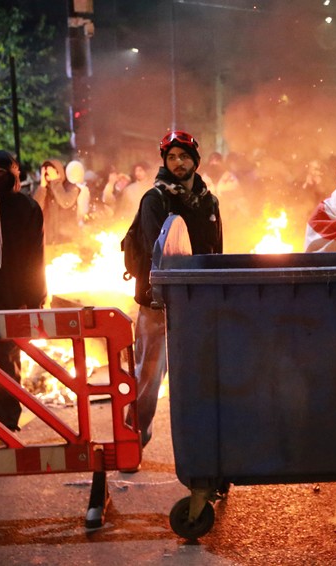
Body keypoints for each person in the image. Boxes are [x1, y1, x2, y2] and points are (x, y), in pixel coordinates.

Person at [129, 130, 223, 448]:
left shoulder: (209, 202)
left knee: (198, 376)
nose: (178, 162)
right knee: (148, 377)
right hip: (159, 304)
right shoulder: (155, 199)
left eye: (184, 156)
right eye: (171, 157)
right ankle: (134, 438)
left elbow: (216, 252)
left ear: (195, 160)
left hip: (198, 302)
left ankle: (202, 446)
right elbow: (157, 253)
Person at [0, 150, 46, 437]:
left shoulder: (26, 208)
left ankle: (6, 425)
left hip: (11, 300)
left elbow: (35, 258)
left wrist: (35, 300)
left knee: (8, 363)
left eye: (0, 173)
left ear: (13, 176)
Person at [32, 159, 79, 244]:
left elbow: (65, 202)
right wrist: (42, 187)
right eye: (46, 174)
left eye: (52, 173)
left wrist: (55, 181)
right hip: (48, 242)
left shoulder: (71, 187)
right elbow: (35, 211)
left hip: (67, 241)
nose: (49, 177)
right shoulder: (42, 190)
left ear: (59, 172)